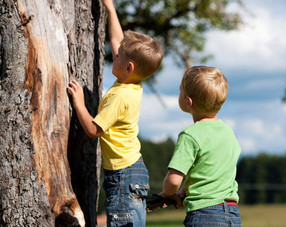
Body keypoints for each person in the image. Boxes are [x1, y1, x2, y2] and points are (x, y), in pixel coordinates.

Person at [67, 0, 163, 226]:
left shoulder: (119, 97)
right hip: (133, 171)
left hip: (123, 176)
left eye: (118, 55)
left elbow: (92, 130)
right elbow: (118, 41)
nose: (114, 53)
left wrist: (79, 103)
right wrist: (111, 9)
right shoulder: (132, 83)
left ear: (129, 67)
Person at [159, 66, 242, 227]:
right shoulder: (228, 133)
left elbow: (174, 180)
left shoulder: (190, 135)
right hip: (232, 214)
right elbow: (213, 172)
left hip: (204, 214)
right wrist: (186, 192)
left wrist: (167, 194)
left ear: (188, 102)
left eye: (180, 91)